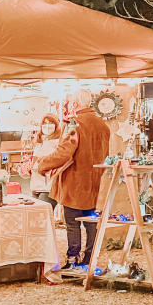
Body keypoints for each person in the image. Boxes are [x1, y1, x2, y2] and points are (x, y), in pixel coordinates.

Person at [38, 91, 111, 268]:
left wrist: (43, 164)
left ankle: (73, 260)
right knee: (91, 222)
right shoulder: (103, 125)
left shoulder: (74, 125)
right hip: (95, 183)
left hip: (75, 183)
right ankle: (90, 258)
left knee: (72, 223)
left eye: (71, 103)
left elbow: (64, 153)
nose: (69, 106)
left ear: (76, 104)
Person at [29, 114, 62, 207]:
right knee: (36, 215)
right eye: (45, 123)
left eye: (51, 123)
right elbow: (34, 164)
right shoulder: (39, 142)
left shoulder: (59, 143)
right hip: (36, 186)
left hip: (49, 187)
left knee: (43, 212)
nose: (47, 126)